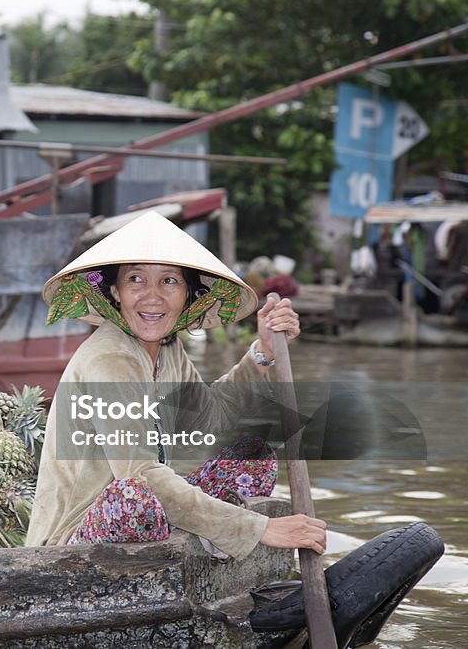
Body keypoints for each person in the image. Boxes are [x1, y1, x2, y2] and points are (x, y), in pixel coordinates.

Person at [26, 211, 326, 560]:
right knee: (133, 495)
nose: (152, 297)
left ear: (187, 295)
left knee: (252, 456)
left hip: (146, 515)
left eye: (169, 281)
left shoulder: (167, 347)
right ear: (116, 293)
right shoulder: (109, 359)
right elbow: (141, 475)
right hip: (73, 541)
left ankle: (207, 549)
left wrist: (261, 353)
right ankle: (216, 542)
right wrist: (257, 527)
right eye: (136, 280)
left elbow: (209, 418)